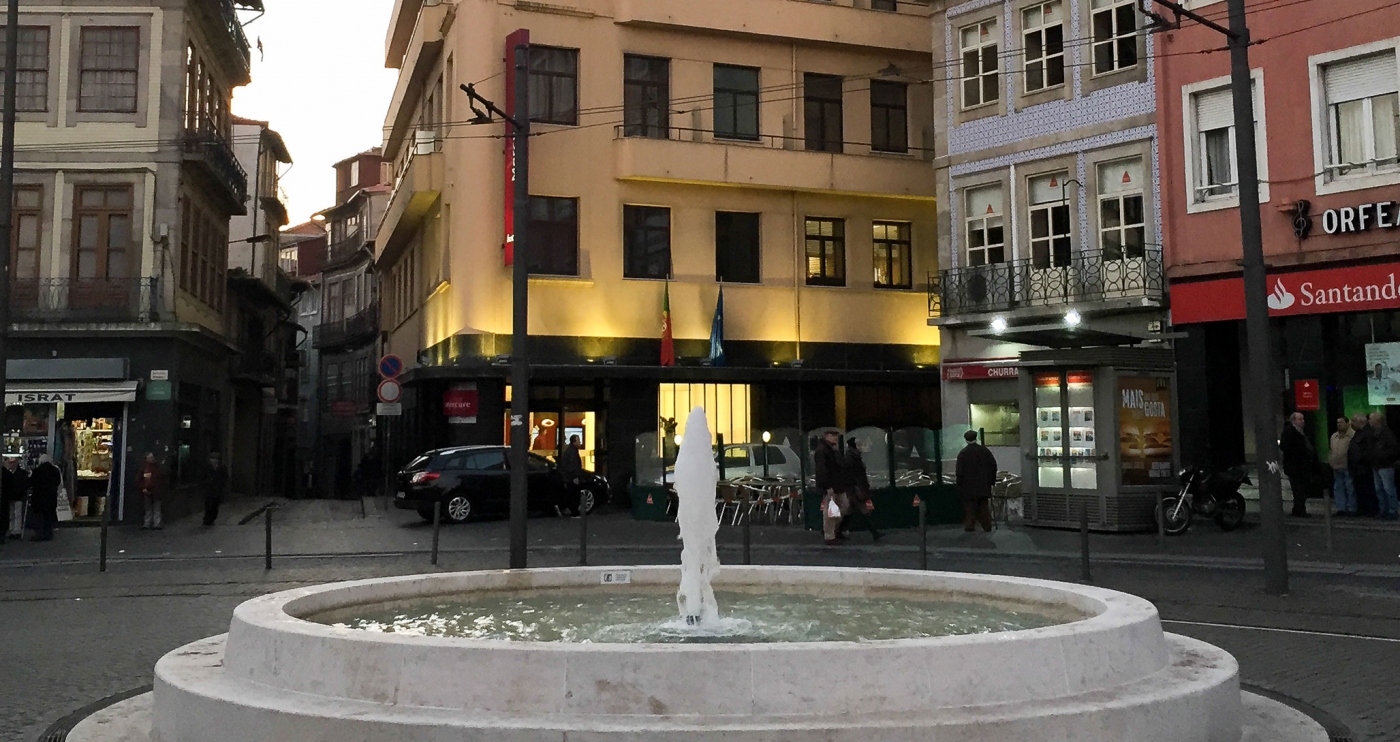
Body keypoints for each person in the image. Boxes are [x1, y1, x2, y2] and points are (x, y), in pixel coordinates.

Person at [840, 439, 882, 543]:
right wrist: (853, 488)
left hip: (857, 488)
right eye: (858, 444)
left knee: (850, 510)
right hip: (856, 489)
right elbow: (850, 475)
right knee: (864, 510)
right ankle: (874, 532)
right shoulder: (851, 458)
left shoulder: (854, 456)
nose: (861, 446)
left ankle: (839, 530)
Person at [955, 430, 997, 533]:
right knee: (983, 506)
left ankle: (969, 525)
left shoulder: (963, 453)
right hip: (983, 484)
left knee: (970, 507)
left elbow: (959, 471)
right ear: (976, 437)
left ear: (966, 439)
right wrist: (991, 481)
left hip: (968, 485)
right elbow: (993, 466)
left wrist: (959, 484)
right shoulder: (985, 451)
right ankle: (987, 526)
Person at [814, 430, 848, 545]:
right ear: (827, 436)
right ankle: (829, 535)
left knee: (842, 507)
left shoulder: (831, 450)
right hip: (831, 485)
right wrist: (827, 486)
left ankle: (831, 530)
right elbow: (821, 470)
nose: (836, 439)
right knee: (830, 510)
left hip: (837, 485)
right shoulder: (823, 450)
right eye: (834, 436)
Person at [1279, 412, 1315, 517]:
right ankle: (1299, 510)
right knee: (1298, 489)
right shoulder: (1289, 432)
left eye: (1303, 419)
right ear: (1294, 421)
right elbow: (1285, 446)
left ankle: (1298, 508)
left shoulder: (1303, 432)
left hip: (1302, 466)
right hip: (1295, 466)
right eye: (1300, 419)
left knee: (1302, 489)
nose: (1303, 421)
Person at [1367, 411, 1400, 520]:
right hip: (1376, 465)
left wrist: (1381, 455)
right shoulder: (1373, 433)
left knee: (1388, 488)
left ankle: (1392, 510)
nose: (1369, 421)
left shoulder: (1387, 433)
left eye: (1371, 419)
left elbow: (1393, 449)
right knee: (1379, 489)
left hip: (1386, 465)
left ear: (1377, 421)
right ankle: (1383, 509)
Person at [1348, 413, 1378, 517]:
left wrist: (1359, 460)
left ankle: (1369, 510)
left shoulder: (1366, 433)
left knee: (1366, 489)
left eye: (1353, 421)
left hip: (1363, 467)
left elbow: (1367, 451)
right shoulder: (1359, 433)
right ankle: (1363, 509)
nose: (1351, 424)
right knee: (1361, 489)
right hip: (1358, 467)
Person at [28, 454, 61, 541]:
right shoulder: (55, 470)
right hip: (51, 497)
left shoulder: (37, 471)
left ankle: (39, 534)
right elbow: (58, 481)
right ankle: (48, 534)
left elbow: (31, 482)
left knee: (39, 518)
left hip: (39, 498)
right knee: (48, 517)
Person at [1328, 417, 1356, 516]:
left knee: (1350, 487)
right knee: (1338, 487)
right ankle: (1341, 508)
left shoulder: (1352, 435)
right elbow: (1331, 450)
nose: (1339, 424)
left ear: (1347, 423)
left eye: (1341, 422)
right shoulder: (1334, 436)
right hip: (1336, 466)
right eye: (1337, 422)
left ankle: (1351, 507)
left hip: (1347, 465)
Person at [2, 456, 29, 539]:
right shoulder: (19, 473)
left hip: (18, 496)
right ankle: (13, 530)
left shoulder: (19, 474)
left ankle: (16, 531)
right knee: (13, 513)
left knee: (17, 513)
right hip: (13, 496)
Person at [558, 434, 584, 516]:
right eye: (578, 440)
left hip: (569, 477)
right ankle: (574, 512)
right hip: (571, 477)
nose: (580, 442)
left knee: (570, 494)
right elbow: (573, 465)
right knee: (574, 495)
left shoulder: (570, 450)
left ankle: (564, 509)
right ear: (574, 442)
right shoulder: (572, 452)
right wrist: (575, 476)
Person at [138, 452, 164, 530]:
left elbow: (161, 479)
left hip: (155, 491)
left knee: (155, 508)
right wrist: (143, 488)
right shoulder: (145, 468)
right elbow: (139, 479)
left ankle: (155, 524)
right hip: (148, 491)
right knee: (149, 508)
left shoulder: (154, 468)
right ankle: (149, 524)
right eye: (150, 458)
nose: (151, 459)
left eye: (152, 457)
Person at [203, 451, 229, 526]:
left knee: (215, 505)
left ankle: (212, 518)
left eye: (215, 459)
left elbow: (225, 477)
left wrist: (222, 485)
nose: (213, 460)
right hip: (209, 489)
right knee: (208, 504)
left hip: (217, 490)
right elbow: (203, 476)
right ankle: (207, 519)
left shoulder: (222, 467)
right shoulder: (207, 468)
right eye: (212, 458)